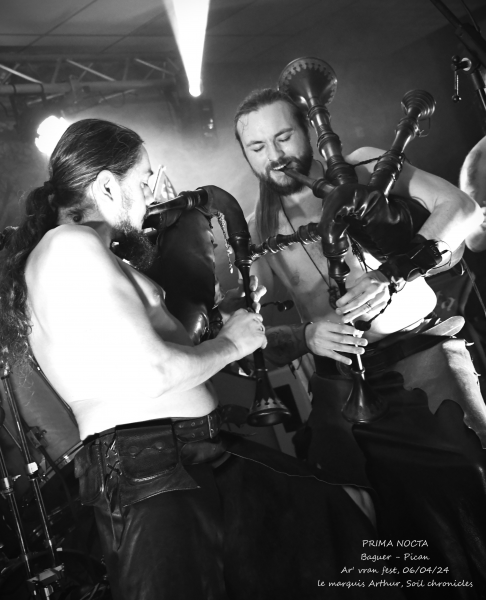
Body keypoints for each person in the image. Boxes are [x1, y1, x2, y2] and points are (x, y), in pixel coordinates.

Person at [0, 118, 407, 600]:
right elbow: (154, 372)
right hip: (153, 473)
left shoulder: (88, 253)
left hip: (191, 455)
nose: (149, 195)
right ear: (107, 185)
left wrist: (234, 321)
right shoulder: (72, 245)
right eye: (142, 181)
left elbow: (160, 351)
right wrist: (232, 343)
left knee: (346, 513)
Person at [235, 88, 486, 598]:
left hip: (425, 361)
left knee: (474, 489)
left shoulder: (367, 166)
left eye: (283, 137)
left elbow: (460, 207)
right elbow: (248, 335)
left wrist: (393, 273)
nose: (275, 155)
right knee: (383, 538)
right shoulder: (256, 227)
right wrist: (306, 335)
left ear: (307, 130)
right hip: (348, 396)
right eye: (257, 147)